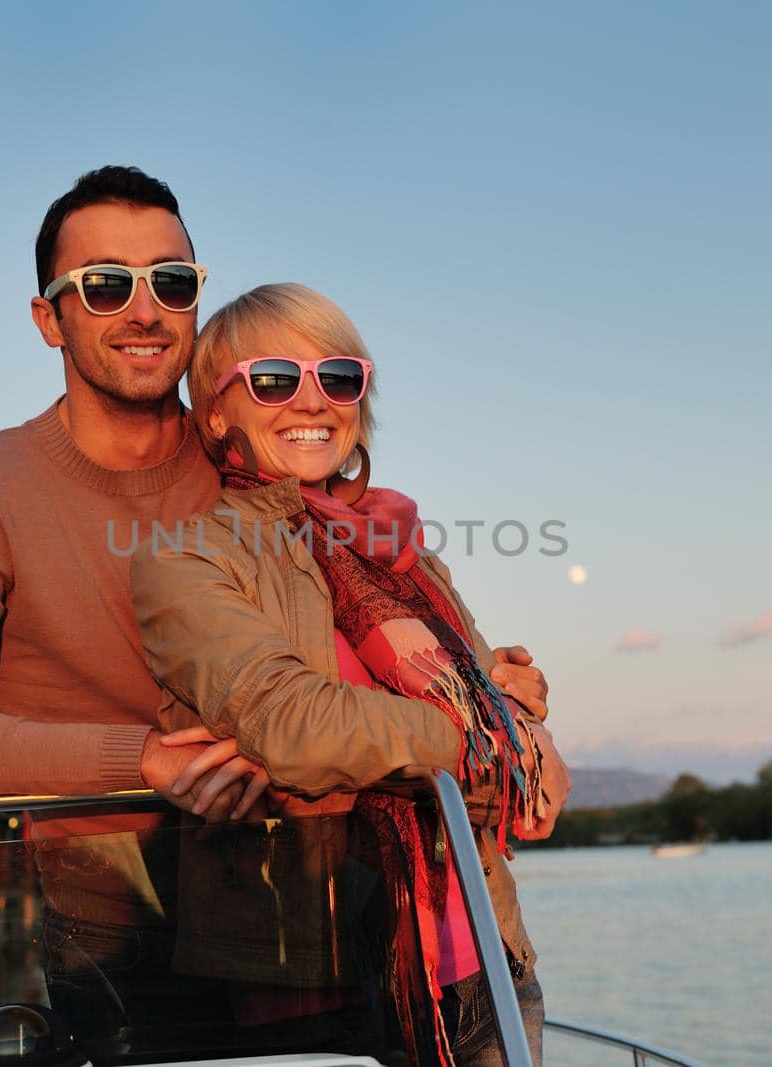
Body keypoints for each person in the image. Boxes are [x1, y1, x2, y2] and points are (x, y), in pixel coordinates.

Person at [0, 166, 557, 1058]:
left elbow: (370, 620)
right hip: (123, 925)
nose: (144, 309)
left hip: (321, 905)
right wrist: (141, 761)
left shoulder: (256, 434)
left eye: (172, 281)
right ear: (49, 318)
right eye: (105, 285)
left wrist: (489, 682)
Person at [130, 283, 572, 1066]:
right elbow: (292, 724)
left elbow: (499, 746)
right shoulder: (188, 556)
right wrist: (490, 728)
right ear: (217, 411)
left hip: (485, 964)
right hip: (310, 988)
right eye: (273, 378)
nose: (313, 399)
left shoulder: (408, 556)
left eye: (338, 377)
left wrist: (511, 713)